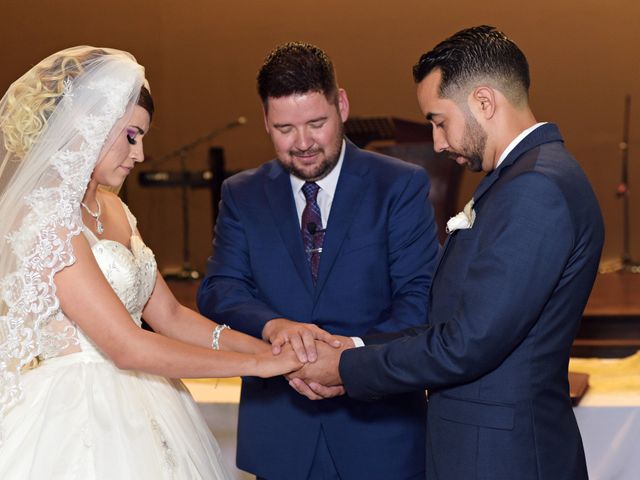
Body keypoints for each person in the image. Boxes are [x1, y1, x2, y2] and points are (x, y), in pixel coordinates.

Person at [289, 26, 604, 480]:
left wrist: (345, 367)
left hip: (504, 458)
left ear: (483, 102)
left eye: (438, 120)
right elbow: (457, 324)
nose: (436, 142)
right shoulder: (520, 179)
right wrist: (356, 345)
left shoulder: (536, 188)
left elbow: (468, 345)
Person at [0, 46, 300, 479]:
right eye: (131, 135)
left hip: (151, 401)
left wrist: (273, 350)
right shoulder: (47, 221)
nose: (139, 154)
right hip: (79, 416)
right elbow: (126, 346)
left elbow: (171, 316)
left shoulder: (115, 210)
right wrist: (259, 367)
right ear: (89, 126)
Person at [196, 42, 439, 480]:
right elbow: (219, 289)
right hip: (280, 436)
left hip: (381, 434)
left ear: (341, 105)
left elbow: (419, 298)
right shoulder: (242, 193)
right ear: (266, 121)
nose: (304, 143)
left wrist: (350, 357)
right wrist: (276, 326)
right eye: (285, 129)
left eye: (316, 123)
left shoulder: (399, 186)